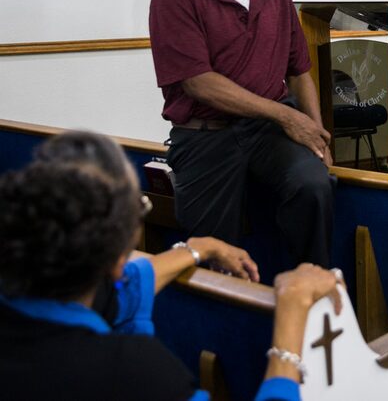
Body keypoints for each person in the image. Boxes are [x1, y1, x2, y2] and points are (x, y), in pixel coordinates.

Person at [0, 131, 343, 401]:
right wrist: (289, 329)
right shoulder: (134, 374)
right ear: (116, 260)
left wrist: (193, 251)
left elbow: (124, 287)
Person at [149, 0, 332, 266]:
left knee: (313, 185)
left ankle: (312, 288)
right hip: (207, 136)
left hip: (266, 135)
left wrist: (316, 135)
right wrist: (287, 115)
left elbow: (299, 71)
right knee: (214, 253)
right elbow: (198, 82)